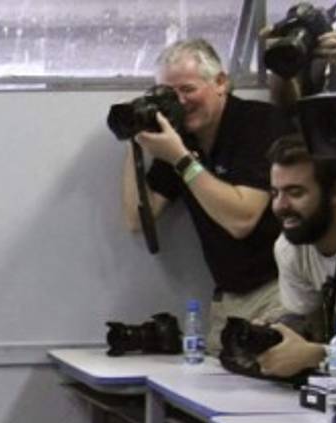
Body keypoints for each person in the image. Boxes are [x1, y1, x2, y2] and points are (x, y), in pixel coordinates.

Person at [121, 39, 290, 353]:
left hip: (279, 289)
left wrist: (182, 160)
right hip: (228, 300)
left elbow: (242, 219)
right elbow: (137, 217)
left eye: (188, 90)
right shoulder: (179, 139)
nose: (180, 103)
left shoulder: (258, 123)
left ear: (221, 83)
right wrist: (135, 142)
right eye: (169, 95)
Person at [258, 134, 336, 377]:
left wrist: (319, 355)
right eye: (275, 193)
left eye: (295, 192)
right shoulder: (290, 248)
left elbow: (316, 352)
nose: (280, 206)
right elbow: (303, 320)